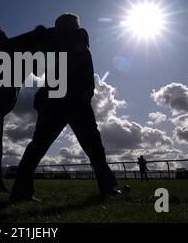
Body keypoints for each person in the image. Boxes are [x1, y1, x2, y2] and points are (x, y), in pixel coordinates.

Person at [10, 13, 120, 202]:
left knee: (40, 147)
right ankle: (108, 188)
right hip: (68, 101)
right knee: (93, 148)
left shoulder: (59, 43)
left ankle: (21, 192)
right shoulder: (74, 42)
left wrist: (42, 41)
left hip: (63, 101)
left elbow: (38, 68)